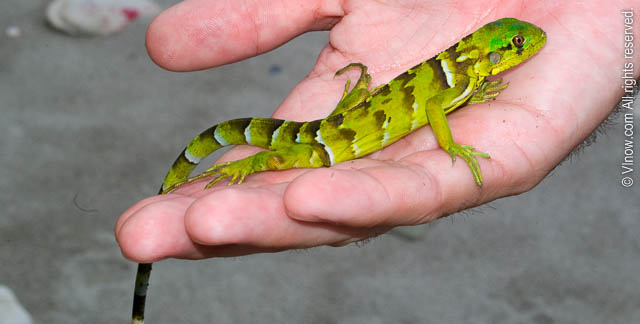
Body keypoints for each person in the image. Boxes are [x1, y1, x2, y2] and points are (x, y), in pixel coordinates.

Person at [115, 0, 637, 262]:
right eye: (517, 47)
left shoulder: (463, 77)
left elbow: (443, 97)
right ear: (490, 54)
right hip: (325, 142)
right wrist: (451, 143)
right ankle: (250, 161)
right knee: (285, 158)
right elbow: (435, 108)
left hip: (344, 124)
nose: (527, 48)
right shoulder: (454, 81)